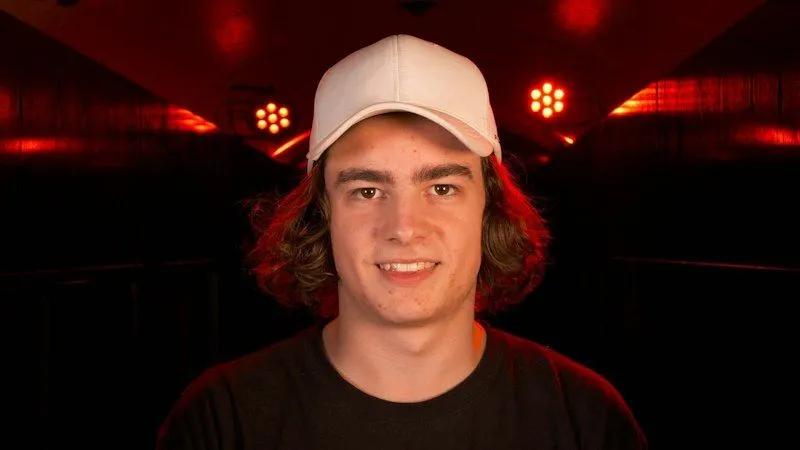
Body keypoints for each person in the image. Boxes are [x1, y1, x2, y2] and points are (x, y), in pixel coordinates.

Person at [156, 34, 647, 450]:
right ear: (321, 214)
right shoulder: (222, 421)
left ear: (489, 209)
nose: (405, 227)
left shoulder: (584, 417)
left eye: (442, 188)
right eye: (367, 191)